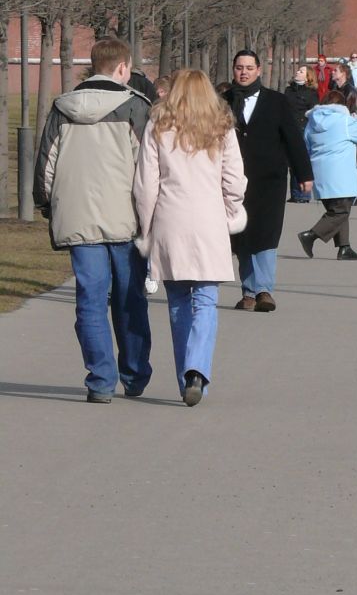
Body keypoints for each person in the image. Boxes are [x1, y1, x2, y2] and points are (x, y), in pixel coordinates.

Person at [34, 35, 153, 403]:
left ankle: (100, 379)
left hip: (77, 215)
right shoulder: (136, 107)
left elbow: (46, 167)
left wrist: (47, 206)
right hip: (125, 218)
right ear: (123, 67)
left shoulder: (62, 107)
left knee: (90, 298)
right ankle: (133, 374)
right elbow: (148, 167)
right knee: (129, 297)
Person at [133, 70, 248, 406]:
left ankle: (187, 372)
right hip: (208, 219)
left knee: (178, 302)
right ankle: (197, 370)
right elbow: (235, 179)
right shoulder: (221, 127)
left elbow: (145, 184)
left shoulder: (158, 126)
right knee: (206, 300)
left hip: (171, 219)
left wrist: (146, 225)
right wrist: (232, 210)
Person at [223, 49, 313, 312]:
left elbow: (293, 138)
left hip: (269, 180)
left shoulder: (276, 101)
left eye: (249, 67)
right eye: (239, 67)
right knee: (241, 236)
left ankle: (264, 290)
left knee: (266, 234)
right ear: (233, 70)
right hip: (233, 181)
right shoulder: (222, 101)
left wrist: (303, 174)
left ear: (259, 70)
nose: (244, 72)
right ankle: (248, 291)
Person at [299, 89, 357, 260]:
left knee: (336, 211)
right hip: (340, 174)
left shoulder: (312, 121)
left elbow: (306, 143)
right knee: (341, 212)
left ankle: (344, 247)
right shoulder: (344, 121)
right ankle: (310, 235)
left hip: (319, 172)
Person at [283, 64, 319, 199]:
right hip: (289, 128)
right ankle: (294, 194)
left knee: (301, 161)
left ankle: (303, 194)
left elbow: (314, 111)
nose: (297, 72)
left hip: (303, 130)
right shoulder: (288, 90)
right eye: (298, 70)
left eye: (301, 71)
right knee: (291, 163)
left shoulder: (311, 93)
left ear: (308, 76)